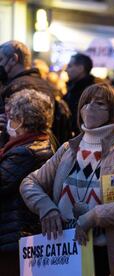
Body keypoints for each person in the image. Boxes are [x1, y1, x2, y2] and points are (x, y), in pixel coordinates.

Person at [20, 83, 114, 276]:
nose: (89, 108)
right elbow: (30, 183)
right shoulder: (67, 149)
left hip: (104, 256)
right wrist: (46, 208)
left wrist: (95, 215)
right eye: (86, 102)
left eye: (99, 104)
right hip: (64, 251)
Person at [0, 89, 54, 275]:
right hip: (19, 231)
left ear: (22, 120)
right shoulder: (40, 143)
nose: (8, 122)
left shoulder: (25, 152)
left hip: (15, 232)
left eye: (12, 117)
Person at [0, 40, 55, 112]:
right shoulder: (45, 84)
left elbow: (11, 120)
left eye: (0, 59)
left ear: (13, 59)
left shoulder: (17, 87)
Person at [64, 53, 100, 135]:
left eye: (70, 66)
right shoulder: (74, 88)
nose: (66, 70)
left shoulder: (91, 92)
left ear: (80, 69)